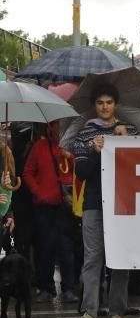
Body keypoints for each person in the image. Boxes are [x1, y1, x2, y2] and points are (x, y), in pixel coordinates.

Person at [70, 83, 137, 318]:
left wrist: (126, 141)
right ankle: (90, 311)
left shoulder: (129, 129)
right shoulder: (85, 134)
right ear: (94, 106)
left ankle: (118, 311)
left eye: (109, 102)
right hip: (94, 204)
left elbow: (136, 169)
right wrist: (94, 151)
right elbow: (81, 172)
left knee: (119, 258)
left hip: (123, 205)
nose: (105, 107)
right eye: (100, 103)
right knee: (92, 258)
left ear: (115, 104)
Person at [23, 120, 77, 305]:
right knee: (45, 247)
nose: (59, 130)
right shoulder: (39, 146)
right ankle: (46, 287)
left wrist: (70, 157)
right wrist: (39, 192)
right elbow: (28, 172)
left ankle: (69, 287)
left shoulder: (72, 147)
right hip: (44, 206)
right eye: (56, 126)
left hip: (65, 205)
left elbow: (80, 171)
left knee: (66, 248)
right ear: (50, 128)